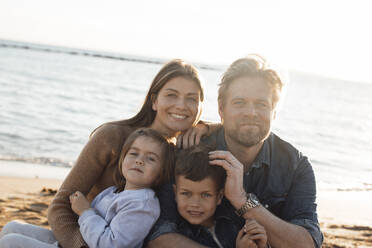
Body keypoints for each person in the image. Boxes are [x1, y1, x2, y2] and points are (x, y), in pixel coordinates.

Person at [146, 55, 323, 248]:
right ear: (221, 108)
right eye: (239, 102)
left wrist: (242, 201)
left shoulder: (295, 165)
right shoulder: (190, 151)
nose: (251, 112)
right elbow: (158, 236)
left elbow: (308, 244)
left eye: (261, 104)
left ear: (274, 111)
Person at [47, 59, 209, 248]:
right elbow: (60, 206)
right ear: (154, 101)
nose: (181, 105)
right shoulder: (112, 137)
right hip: (81, 237)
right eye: (171, 95)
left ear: (200, 108)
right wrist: (80, 245)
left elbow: (230, 125)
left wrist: (206, 127)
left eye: (191, 98)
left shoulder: (183, 151)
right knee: (12, 232)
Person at [0, 128, 174, 248]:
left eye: (151, 158)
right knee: (12, 227)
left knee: (10, 243)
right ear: (123, 159)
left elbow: (111, 244)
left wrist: (85, 212)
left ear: (161, 172)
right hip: (78, 240)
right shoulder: (114, 190)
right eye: (134, 153)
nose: (139, 160)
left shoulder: (142, 205)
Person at [171, 145, 268, 248]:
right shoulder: (176, 234)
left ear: (219, 197)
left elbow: (253, 203)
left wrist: (262, 244)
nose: (195, 204)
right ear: (175, 192)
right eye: (186, 193)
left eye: (206, 195)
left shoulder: (235, 217)